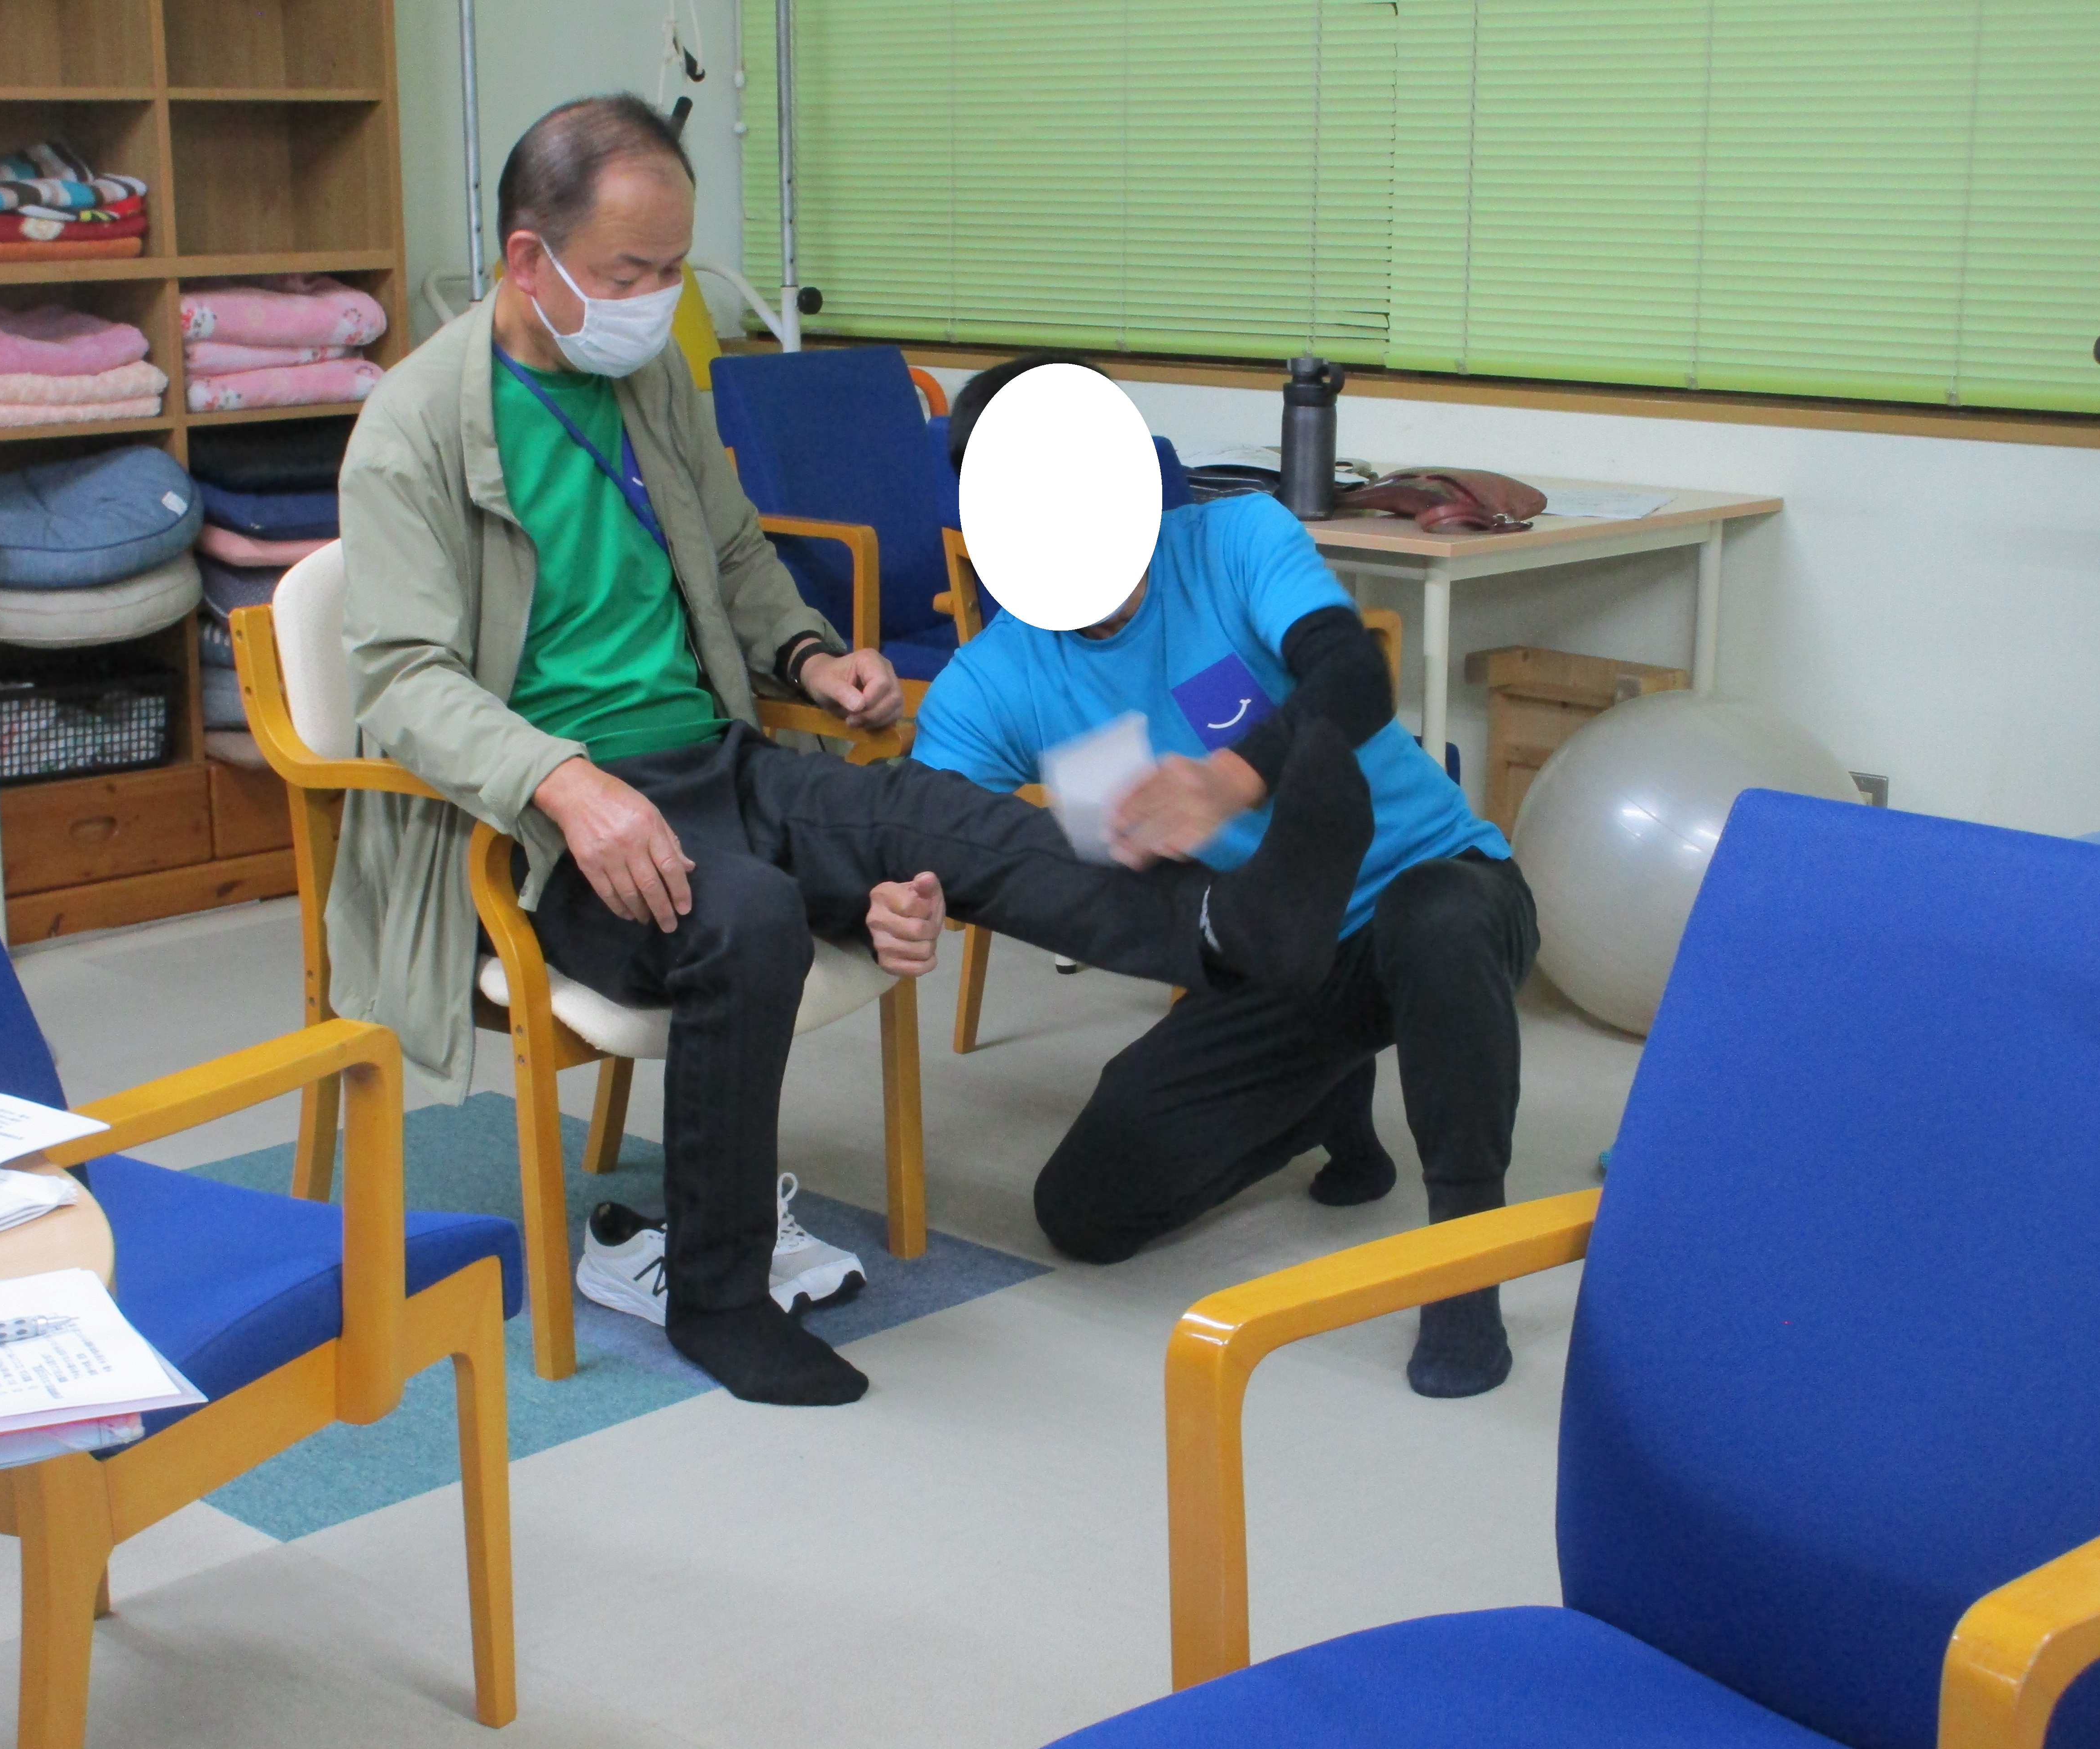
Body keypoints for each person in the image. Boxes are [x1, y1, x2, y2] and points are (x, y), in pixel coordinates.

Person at [328, 100, 1376, 1408]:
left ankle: (1226, 930)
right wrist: (562, 781)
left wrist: (811, 657)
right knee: (750, 915)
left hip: (714, 758)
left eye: (673, 270)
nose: (657, 304)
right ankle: (717, 1295)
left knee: (937, 816)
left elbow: (730, 554)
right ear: (529, 260)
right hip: (550, 833)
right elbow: (402, 679)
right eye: (629, 274)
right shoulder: (415, 428)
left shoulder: (645, 384)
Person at [890, 354, 1541, 1398]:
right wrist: (900, 895)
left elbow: (1353, 673)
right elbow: (920, 830)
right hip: (1278, 949)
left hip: (1445, 884)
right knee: (1085, 1214)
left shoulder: (1236, 540)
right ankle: (1323, 1098)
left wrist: (1232, 778)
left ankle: (1464, 1266)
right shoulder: (993, 680)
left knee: (1433, 922)